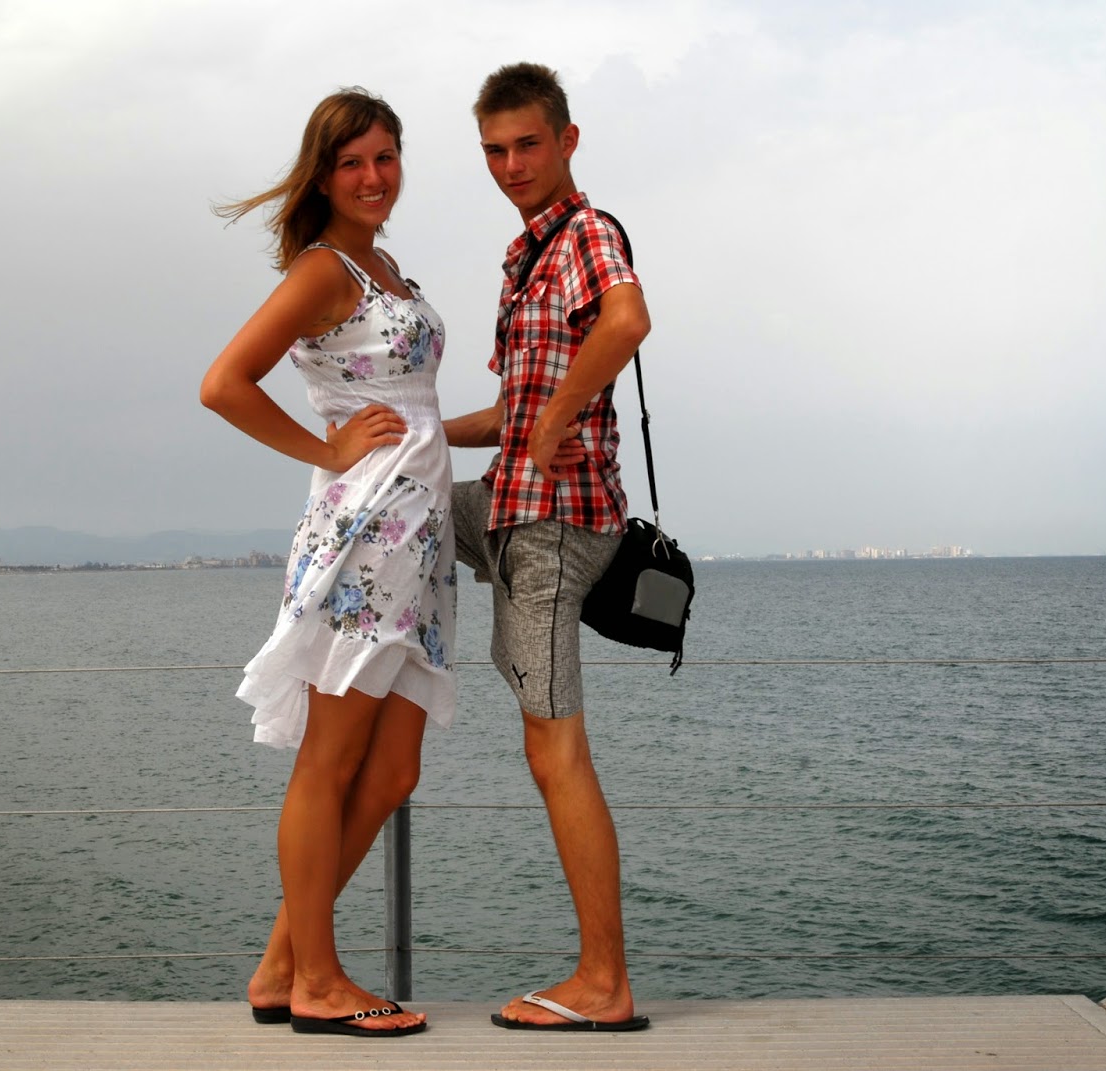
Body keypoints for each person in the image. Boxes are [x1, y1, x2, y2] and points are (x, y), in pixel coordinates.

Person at [200, 87, 453, 1039]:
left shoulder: (384, 266)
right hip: (369, 539)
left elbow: (413, 405)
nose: (373, 176)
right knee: (332, 759)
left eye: (385, 156)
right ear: (322, 175)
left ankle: (280, 965)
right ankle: (317, 978)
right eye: (352, 162)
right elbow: (223, 384)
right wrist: (327, 450)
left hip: (420, 546)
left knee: (391, 771)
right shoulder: (322, 269)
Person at [442, 62, 653, 1032]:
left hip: (555, 529)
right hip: (507, 508)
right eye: (494, 150)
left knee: (554, 749)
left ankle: (604, 983)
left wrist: (563, 411)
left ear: (568, 140)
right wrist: (416, 433)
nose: (511, 165)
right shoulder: (524, 257)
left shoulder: (585, 234)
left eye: (528, 144)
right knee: (401, 511)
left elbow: (628, 320)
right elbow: (511, 415)